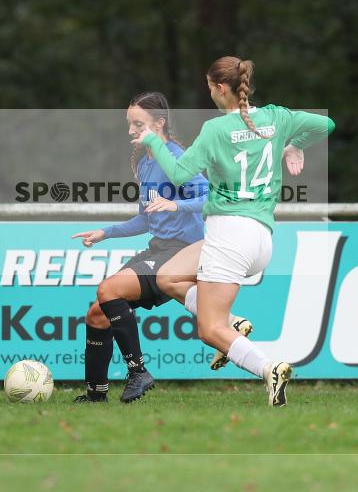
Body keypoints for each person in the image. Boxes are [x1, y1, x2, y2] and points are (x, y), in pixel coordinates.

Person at [134, 57, 335, 406]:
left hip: (228, 234)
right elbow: (326, 124)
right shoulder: (276, 117)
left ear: (220, 88)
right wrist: (295, 144)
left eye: (209, 87)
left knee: (210, 329)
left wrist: (153, 142)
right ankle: (234, 323)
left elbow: (179, 174)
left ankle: (268, 368)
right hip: (261, 238)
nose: (209, 93)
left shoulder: (216, 130)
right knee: (167, 276)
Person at [71, 91, 250, 403]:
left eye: (138, 124)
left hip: (181, 255)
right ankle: (96, 395)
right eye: (130, 124)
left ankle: (138, 372)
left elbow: (211, 197)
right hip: (159, 249)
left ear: (159, 124)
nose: (131, 131)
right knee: (97, 313)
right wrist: (106, 233)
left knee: (108, 290)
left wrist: (175, 205)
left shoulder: (176, 158)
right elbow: (146, 218)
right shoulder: (145, 164)